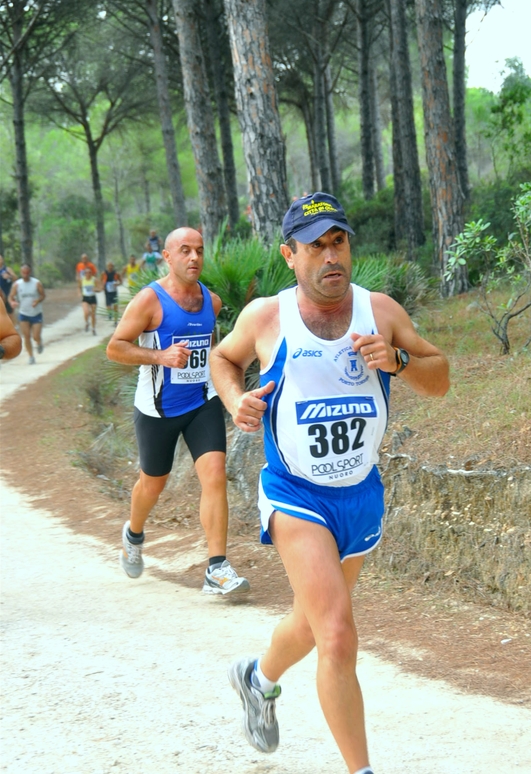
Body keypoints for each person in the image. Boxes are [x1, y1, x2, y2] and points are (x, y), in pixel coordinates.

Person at [209, 192, 450, 774]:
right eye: (315, 246)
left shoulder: (380, 311)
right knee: (338, 634)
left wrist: (397, 361)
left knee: (313, 622)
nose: (330, 256)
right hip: (296, 492)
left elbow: (439, 378)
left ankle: (258, 677)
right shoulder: (267, 317)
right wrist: (235, 398)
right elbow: (224, 358)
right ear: (290, 255)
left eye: (337, 241)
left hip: (361, 494)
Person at [106, 227, 250, 596]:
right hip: (157, 410)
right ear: (167, 257)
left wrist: (230, 394)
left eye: (199, 251)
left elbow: (213, 352)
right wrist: (160, 357)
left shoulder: (212, 302)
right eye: (185, 251)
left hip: (201, 403)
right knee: (153, 483)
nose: (194, 258)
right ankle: (134, 532)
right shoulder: (148, 301)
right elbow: (115, 348)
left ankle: (216, 567)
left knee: (215, 474)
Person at [9, 264, 46, 365]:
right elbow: (11, 296)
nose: (25, 274)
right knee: (26, 336)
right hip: (23, 313)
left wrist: (37, 301)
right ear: (21, 273)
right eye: (23, 272)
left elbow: (43, 295)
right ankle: (31, 356)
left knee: (35, 336)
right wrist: (12, 302)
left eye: (27, 272)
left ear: (30, 272)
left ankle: (39, 342)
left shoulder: (36, 283)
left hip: (36, 313)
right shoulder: (17, 284)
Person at [79, 265, 99, 335]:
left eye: (89, 272)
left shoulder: (94, 279)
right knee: (86, 312)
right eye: (86, 272)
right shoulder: (82, 280)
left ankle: (93, 329)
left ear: (91, 273)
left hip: (93, 297)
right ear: (84, 273)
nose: (88, 274)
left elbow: (99, 288)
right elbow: (79, 287)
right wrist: (79, 293)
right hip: (85, 298)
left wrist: (96, 289)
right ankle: (86, 323)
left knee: (93, 314)